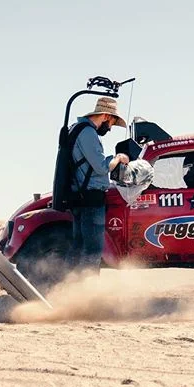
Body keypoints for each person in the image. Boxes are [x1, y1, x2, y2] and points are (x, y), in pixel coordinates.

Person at [68, 97, 129, 275]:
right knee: (93, 251)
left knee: (80, 249)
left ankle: (73, 290)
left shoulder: (77, 129)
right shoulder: (87, 133)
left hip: (80, 196)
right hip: (90, 198)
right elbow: (102, 167)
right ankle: (88, 293)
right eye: (111, 123)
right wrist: (118, 158)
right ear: (104, 115)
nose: (110, 128)